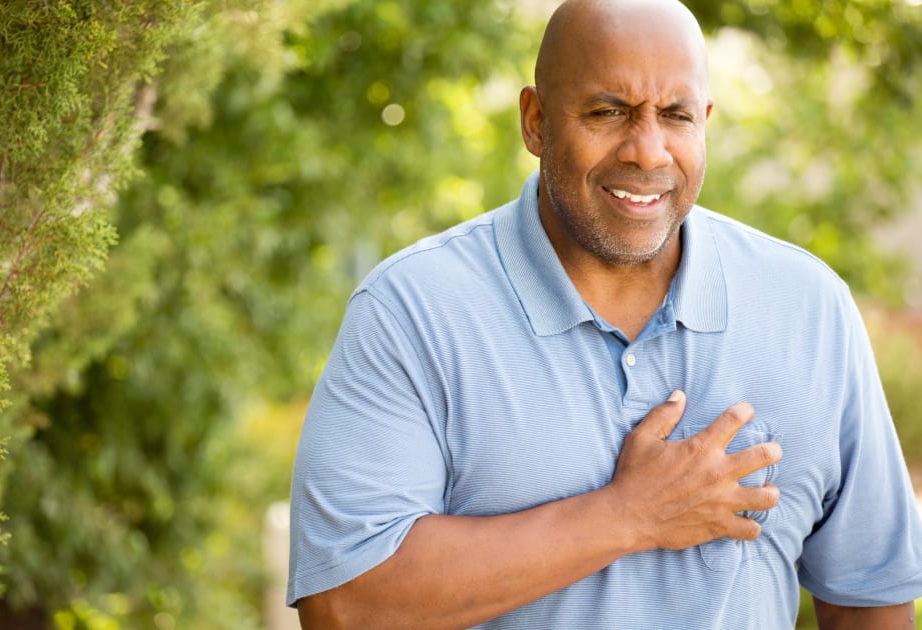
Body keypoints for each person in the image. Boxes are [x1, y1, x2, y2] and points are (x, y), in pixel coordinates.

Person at [287, 0, 922, 627]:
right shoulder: (412, 310)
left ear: (704, 121)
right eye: (607, 112)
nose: (648, 152)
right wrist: (629, 516)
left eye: (675, 116)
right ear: (535, 121)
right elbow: (345, 605)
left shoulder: (809, 306)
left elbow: (872, 593)